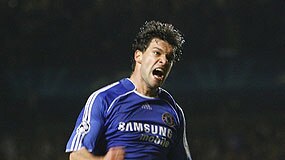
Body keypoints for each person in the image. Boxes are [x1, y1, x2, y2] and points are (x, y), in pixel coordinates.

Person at [65, 20, 192, 160]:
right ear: (139, 56)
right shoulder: (105, 99)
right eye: (157, 53)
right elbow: (76, 155)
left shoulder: (174, 111)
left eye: (169, 58)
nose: (164, 61)